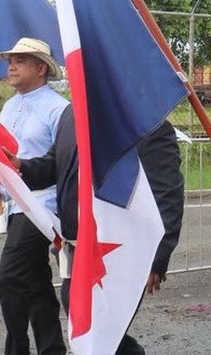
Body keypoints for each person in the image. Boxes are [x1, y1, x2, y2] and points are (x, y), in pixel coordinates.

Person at [10, 105, 185, 355]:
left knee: (99, 336)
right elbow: (54, 164)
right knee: (87, 329)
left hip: (121, 254)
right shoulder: (71, 113)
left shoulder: (146, 123)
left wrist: (156, 260)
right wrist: (22, 167)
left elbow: (167, 193)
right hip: (78, 250)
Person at [0, 38, 68, 355]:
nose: (11, 65)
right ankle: (52, 348)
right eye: (10, 59)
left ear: (41, 68)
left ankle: (17, 350)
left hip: (45, 203)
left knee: (9, 276)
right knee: (35, 282)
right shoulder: (9, 106)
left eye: (21, 60)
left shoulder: (59, 109)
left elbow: (64, 161)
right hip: (16, 205)